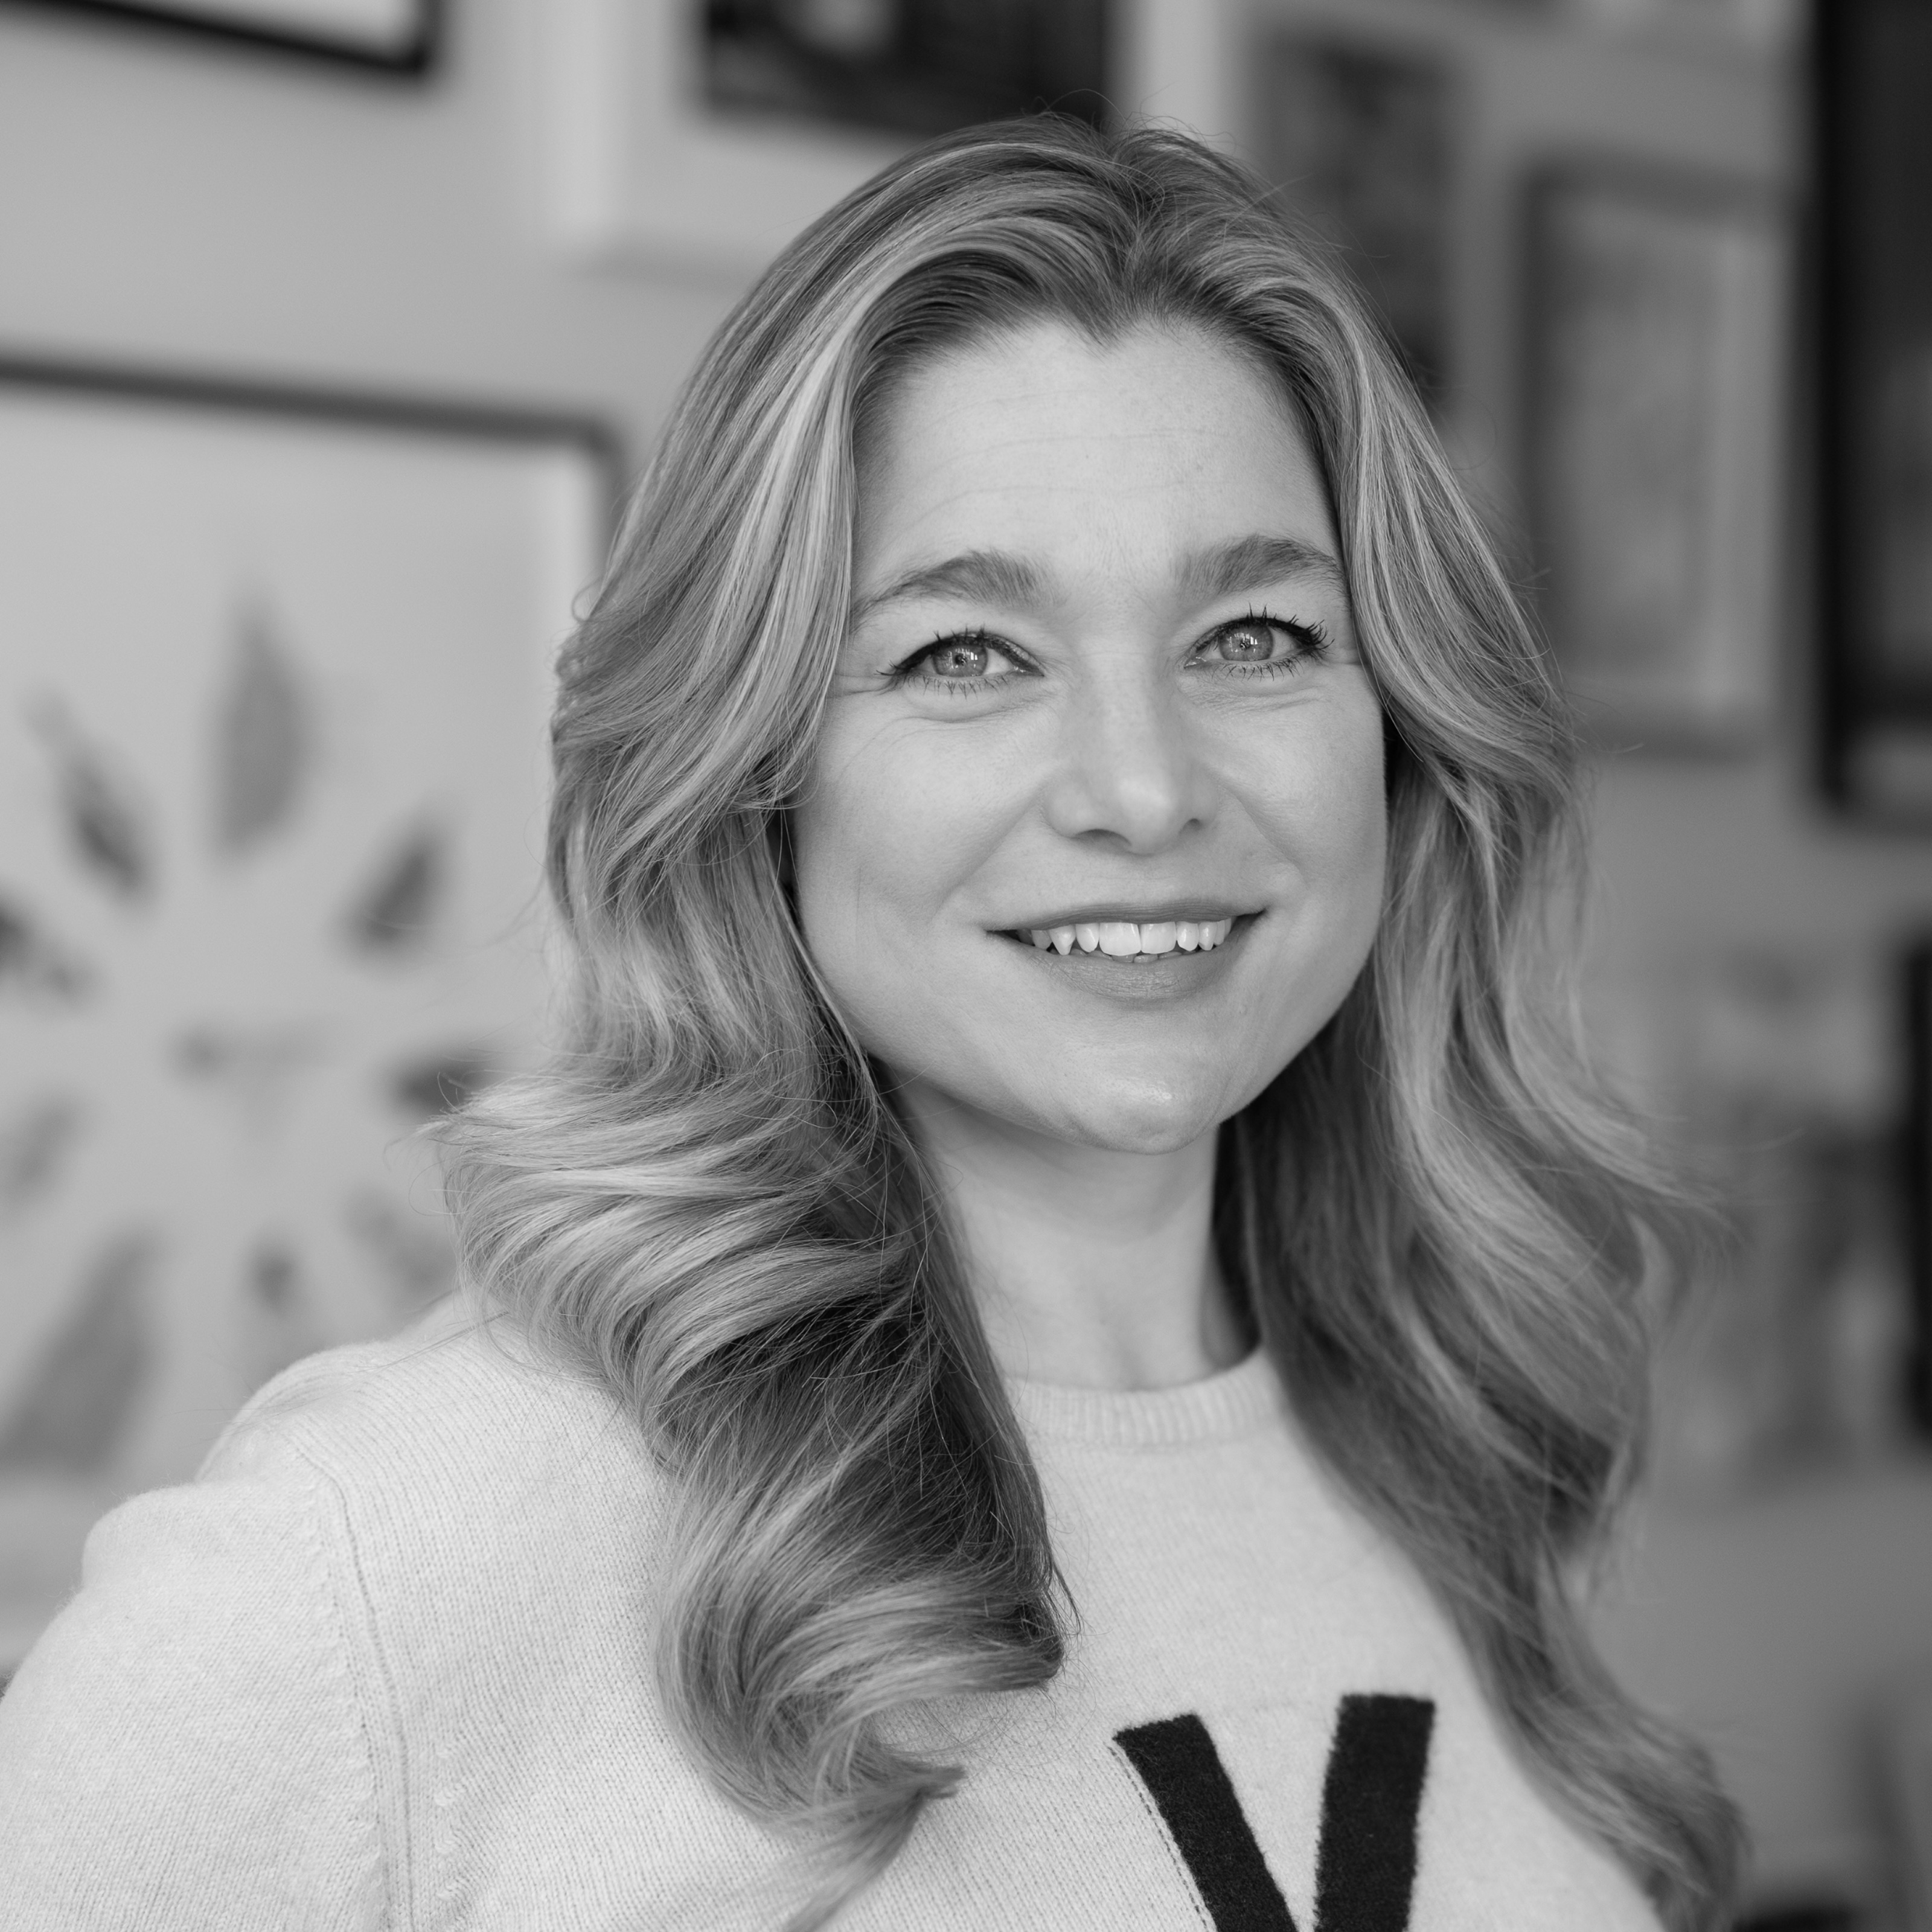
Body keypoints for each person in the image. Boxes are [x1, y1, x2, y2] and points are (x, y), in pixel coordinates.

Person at [0, 117, 1739, 1930]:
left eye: (1254, 636)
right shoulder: (381, 1562)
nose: (1145, 789)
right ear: (758, 772)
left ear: (1402, 733)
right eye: (964, 656)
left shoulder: (1449, 1431)